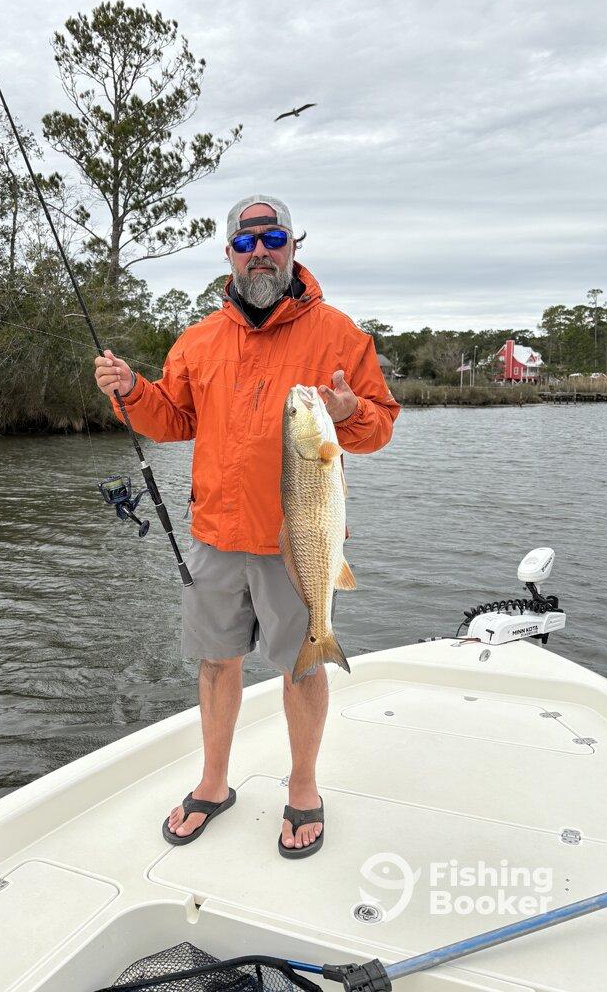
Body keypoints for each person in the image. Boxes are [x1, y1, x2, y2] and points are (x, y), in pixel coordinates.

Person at [94, 195, 399, 858]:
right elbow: (172, 419)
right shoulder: (198, 340)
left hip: (300, 542)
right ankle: (212, 783)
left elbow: (379, 425)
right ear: (228, 255)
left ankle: (304, 788)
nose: (260, 250)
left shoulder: (341, 336)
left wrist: (348, 411)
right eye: (246, 241)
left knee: (302, 665)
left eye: (274, 237)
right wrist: (131, 389)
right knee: (215, 662)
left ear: (294, 246)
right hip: (214, 538)